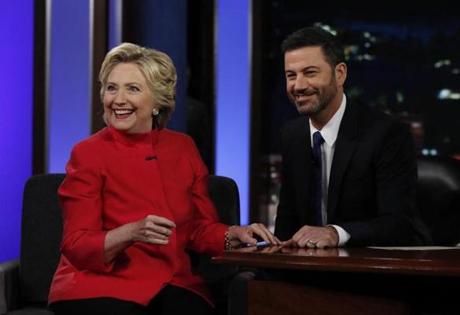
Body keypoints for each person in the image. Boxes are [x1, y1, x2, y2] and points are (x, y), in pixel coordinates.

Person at [48, 42, 279, 315]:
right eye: (111, 88)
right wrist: (130, 233)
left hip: (172, 282)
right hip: (98, 283)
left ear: (158, 101)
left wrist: (234, 234)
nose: (118, 99)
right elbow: (76, 245)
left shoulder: (182, 148)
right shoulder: (87, 153)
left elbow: (197, 228)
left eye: (132, 89)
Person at [275, 26, 431, 248]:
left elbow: (398, 224)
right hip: (308, 269)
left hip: (367, 271)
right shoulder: (292, 134)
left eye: (310, 73)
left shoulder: (387, 134)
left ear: (340, 74)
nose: (298, 85)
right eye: (291, 75)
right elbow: (287, 221)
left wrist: (336, 233)